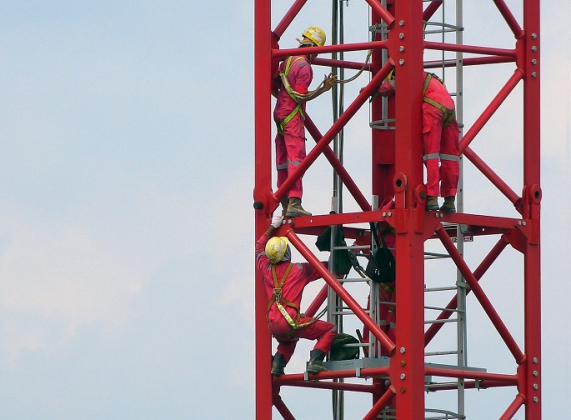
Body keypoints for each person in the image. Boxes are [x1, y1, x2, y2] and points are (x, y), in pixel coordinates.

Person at [256, 215, 337, 376]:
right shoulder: (299, 270)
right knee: (330, 329)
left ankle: (278, 364)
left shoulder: (266, 269)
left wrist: (272, 227)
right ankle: (315, 362)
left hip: (273, 325)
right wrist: (337, 263)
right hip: (289, 322)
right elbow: (322, 269)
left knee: (289, 339)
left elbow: (259, 248)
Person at [272, 26, 337, 217]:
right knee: (296, 158)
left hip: (280, 113)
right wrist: (323, 89)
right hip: (292, 117)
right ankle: (294, 201)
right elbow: (300, 96)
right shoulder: (304, 68)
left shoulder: (288, 60)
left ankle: (284, 201)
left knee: (283, 159)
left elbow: (277, 81)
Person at [377, 71, 460, 212]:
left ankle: (432, 197)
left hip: (433, 107)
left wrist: (373, 89)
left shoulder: (408, 71)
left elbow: (390, 87)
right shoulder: (432, 78)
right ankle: (450, 200)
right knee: (450, 157)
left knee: (431, 155)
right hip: (449, 108)